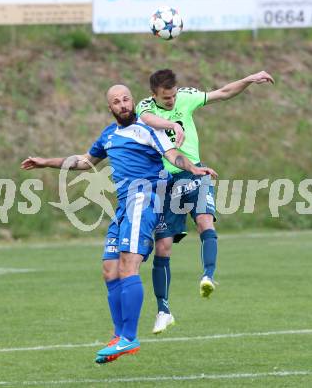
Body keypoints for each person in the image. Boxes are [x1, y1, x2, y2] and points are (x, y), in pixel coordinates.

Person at [21, 84, 217, 364]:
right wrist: (46, 162)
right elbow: (85, 161)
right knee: (109, 269)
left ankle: (129, 338)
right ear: (110, 107)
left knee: (128, 264)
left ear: (133, 101)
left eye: (126, 99)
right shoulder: (108, 135)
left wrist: (193, 168)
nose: (123, 104)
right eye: (117, 101)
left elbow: (172, 154)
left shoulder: (149, 130)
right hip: (123, 205)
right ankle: (118, 336)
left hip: (144, 199)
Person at [136, 69, 274, 334]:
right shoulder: (144, 106)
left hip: (195, 172)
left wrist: (247, 80)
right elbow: (148, 119)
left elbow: (222, 93)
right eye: (166, 98)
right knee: (163, 247)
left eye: (174, 95)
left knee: (205, 221)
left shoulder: (186, 97)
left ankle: (207, 276)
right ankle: (163, 310)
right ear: (154, 95)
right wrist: (172, 125)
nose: (172, 101)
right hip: (165, 181)